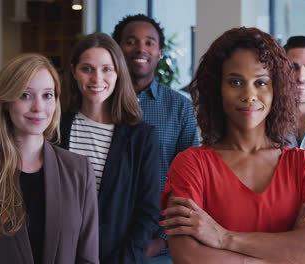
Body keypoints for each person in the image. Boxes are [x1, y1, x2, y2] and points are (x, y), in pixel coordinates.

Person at [160, 27, 305, 263]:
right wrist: (293, 247)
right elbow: (189, 256)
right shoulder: (191, 165)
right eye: (235, 82)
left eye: (261, 83)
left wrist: (224, 238)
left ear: (277, 89)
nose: (248, 95)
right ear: (217, 89)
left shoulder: (304, 165)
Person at [0, 53, 99, 263]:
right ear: (6, 101)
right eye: (25, 95)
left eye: (47, 95)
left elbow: (87, 257)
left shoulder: (78, 169)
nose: (38, 107)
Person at [59, 33, 160, 263]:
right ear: (74, 71)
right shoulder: (55, 129)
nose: (97, 79)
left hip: (118, 258)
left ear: (118, 73)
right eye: (87, 69)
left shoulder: (141, 137)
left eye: (106, 69)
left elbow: (148, 212)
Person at [112, 13, 199, 262]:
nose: (141, 48)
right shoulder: (100, 103)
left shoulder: (180, 108)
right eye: (131, 41)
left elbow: (188, 184)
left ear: (159, 52)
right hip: (104, 239)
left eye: (150, 42)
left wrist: (162, 238)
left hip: (159, 247)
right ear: (116, 49)